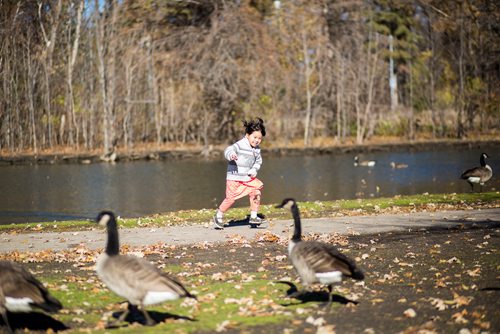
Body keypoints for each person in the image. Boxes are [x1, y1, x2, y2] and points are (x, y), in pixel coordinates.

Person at [213, 118, 266, 229]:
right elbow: (229, 149)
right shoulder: (240, 144)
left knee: (256, 191)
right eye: (254, 137)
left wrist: (254, 170)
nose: (257, 140)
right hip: (234, 177)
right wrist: (231, 154)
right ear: (247, 135)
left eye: (259, 138)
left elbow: (258, 161)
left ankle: (253, 216)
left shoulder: (257, 149)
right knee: (230, 199)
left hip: (247, 178)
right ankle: (218, 215)